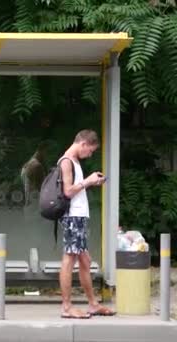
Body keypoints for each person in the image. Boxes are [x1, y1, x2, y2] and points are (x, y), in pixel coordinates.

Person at [57, 129, 115, 319]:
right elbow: (67, 192)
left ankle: (93, 304)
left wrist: (90, 182)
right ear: (83, 144)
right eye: (90, 150)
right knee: (69, 259)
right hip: (73, 217)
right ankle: (66, 307)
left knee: (85, 261)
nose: (90, 154)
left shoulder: (74, 162)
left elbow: (74, 189)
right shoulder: (66, 161)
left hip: (79, 217)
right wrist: (88, 181)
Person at [20, 142, 47, 206]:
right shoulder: (36, 164)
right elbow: (37, 184)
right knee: (31, 197)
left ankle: (29, 205)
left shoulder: (37, 160)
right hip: (29, 173)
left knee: (29, 196)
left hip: (27, 172)